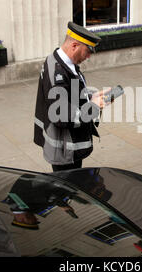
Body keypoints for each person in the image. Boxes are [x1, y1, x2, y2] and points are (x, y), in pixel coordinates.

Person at [34, 21, 110, 172]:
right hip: (65, 151)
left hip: (65, 147)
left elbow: (70, 93)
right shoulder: (58, 73)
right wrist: (93, 106)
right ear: (74, 46)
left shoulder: (59, 61)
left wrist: (91, 97)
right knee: (66, 190)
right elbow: (62, 115)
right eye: (87, 51)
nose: (88, 56)